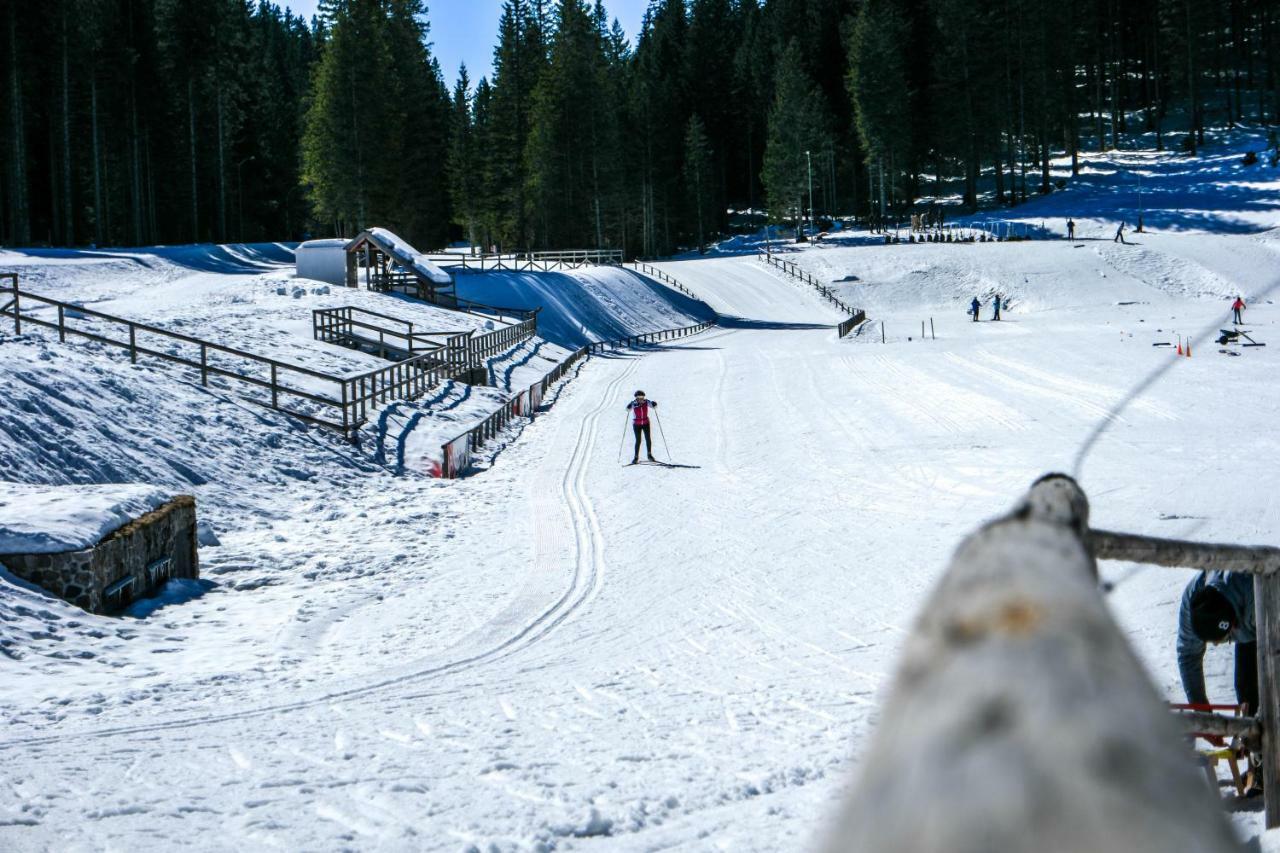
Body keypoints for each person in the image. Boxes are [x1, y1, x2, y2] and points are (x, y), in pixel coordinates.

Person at [626, 390, 658, 464]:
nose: (641, 399)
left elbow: (654, 407)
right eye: (639, 397)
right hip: (636, 424)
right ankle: (636, 457)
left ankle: (649, 455)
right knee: (638, 440)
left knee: (648, 439)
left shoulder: (646, 402)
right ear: (636, 398)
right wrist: (628, 407)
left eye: (642, 397)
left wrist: (654, 404)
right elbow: (627, 410)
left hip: (646, 423)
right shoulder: (633, 403)